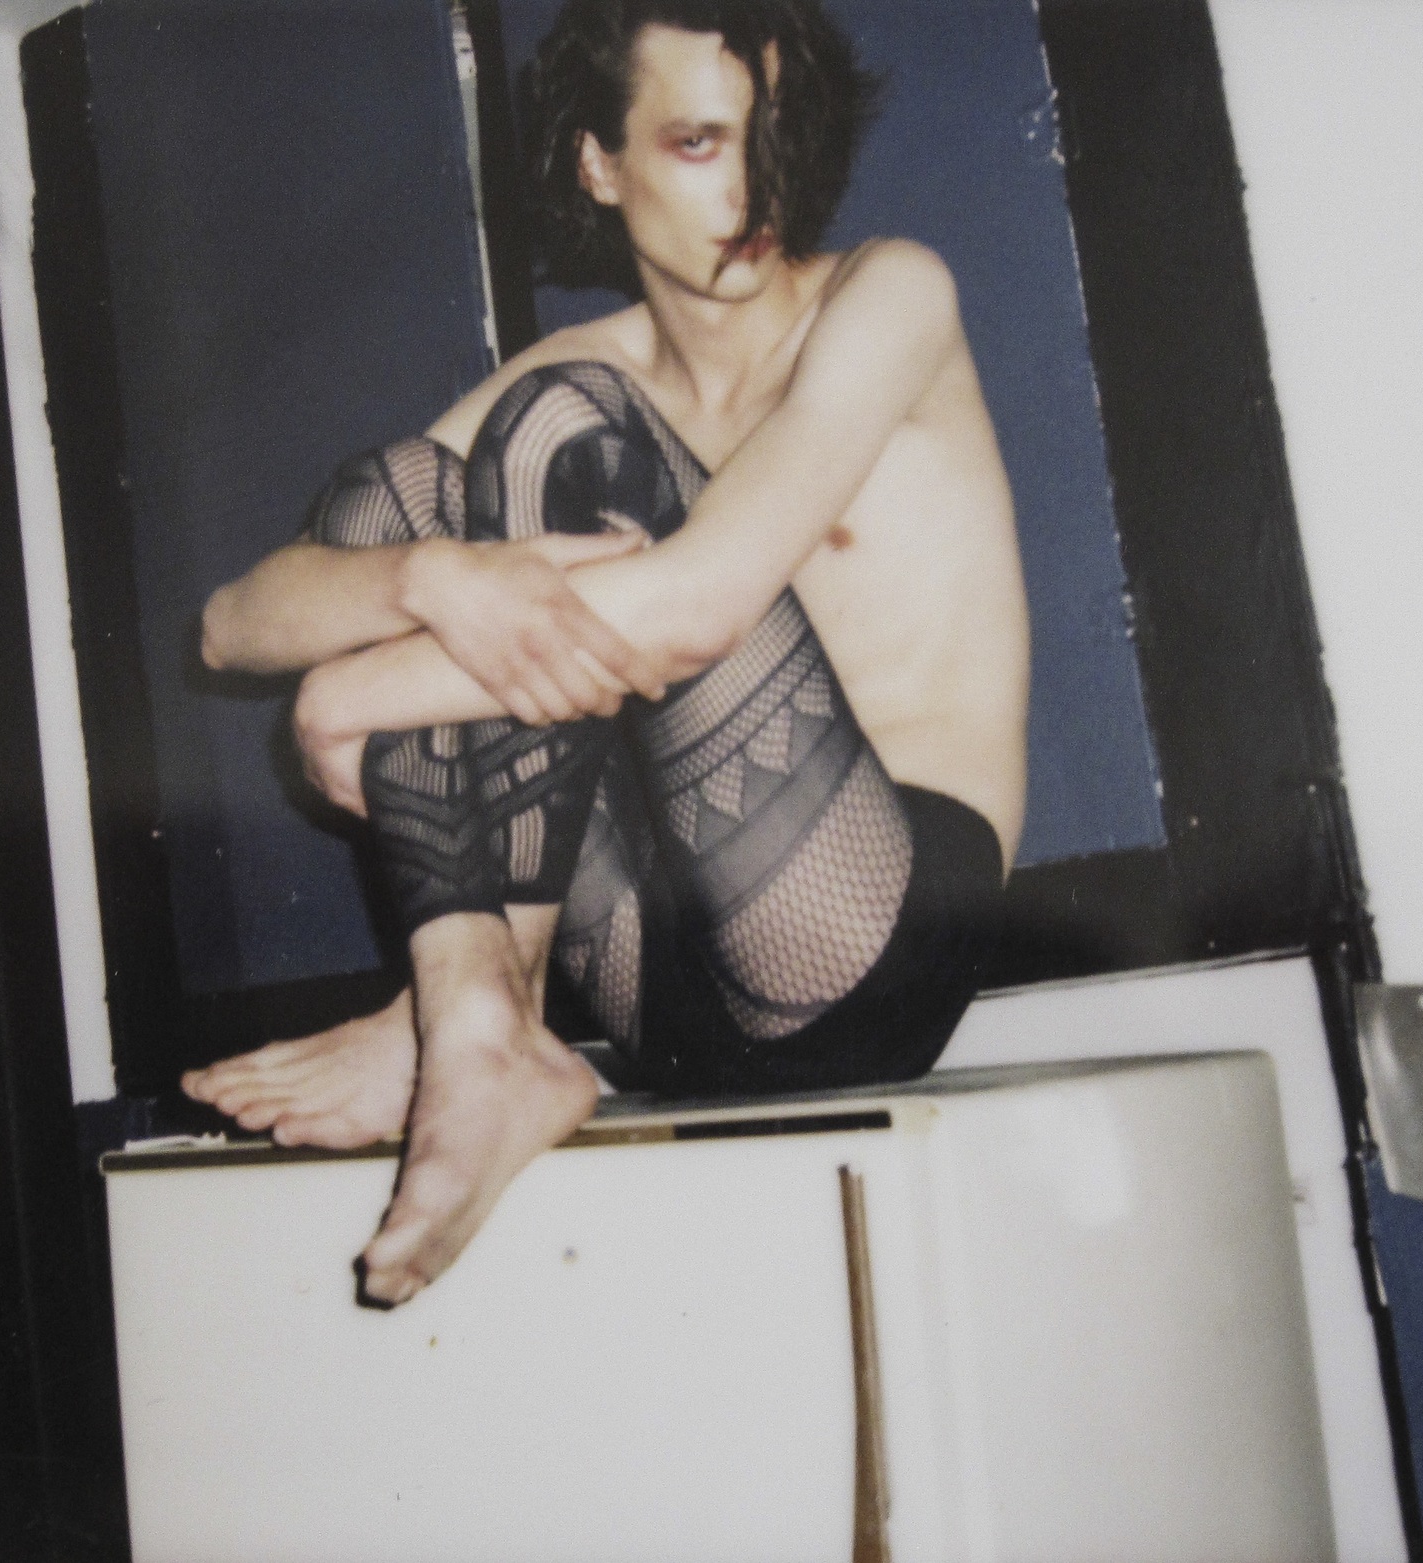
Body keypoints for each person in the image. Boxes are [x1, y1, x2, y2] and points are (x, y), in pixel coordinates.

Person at [185, 0, 1028, 1307]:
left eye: (772, 133)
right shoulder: (589, 357)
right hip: (655, 997)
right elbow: (231, 624)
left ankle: (466, 1020)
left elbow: (697, 605)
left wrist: (361, 688)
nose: (752, 188)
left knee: (556, 433)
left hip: (866, 942)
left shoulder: (890, 295)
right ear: (600, 163)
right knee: (401, 495)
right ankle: (480, 1018)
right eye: (698, 142)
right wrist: (427, 582)